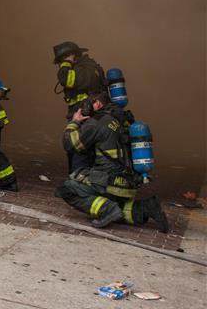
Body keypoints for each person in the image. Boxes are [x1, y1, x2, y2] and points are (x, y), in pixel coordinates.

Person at [55, 92, 168, 232]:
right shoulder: (124, 120)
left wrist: (74, 122)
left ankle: (106, 209)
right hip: (129, 184)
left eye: (89, 103)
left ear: (97, 104)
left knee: (66, 189)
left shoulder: (97, 122)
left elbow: (70, 144)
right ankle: (146, 207)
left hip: (109, 182)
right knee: (117, 203)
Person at [52, 41, 107, 173]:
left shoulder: (86, 68)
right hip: (80, 111)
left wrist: (67, 62)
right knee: (74, 145)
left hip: (85, 112)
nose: (61, 64)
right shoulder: (83, 68)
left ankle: (78, 182)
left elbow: (66, 79)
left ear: (71, 56)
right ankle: (75, 180)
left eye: (62, 60)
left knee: (79, 147)